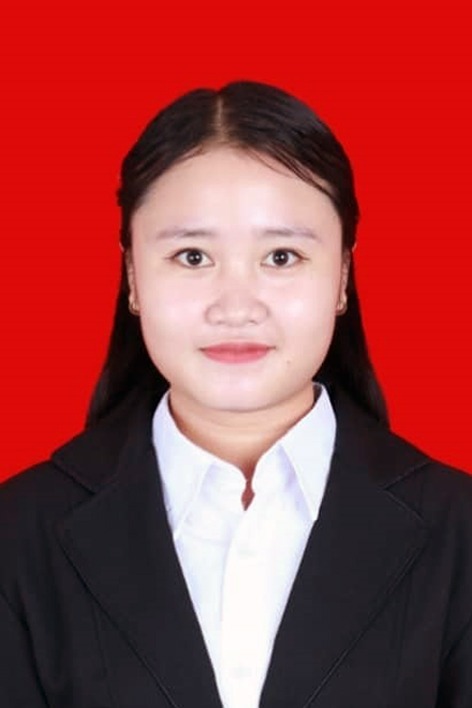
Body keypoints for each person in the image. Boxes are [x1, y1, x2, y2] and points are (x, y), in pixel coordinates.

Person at [1, 80, 471, 708]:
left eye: (282, 257)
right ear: (133, 275)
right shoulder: (18, 533)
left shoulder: (458, 531)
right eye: (193, 257)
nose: (236, 306)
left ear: (342, 276)